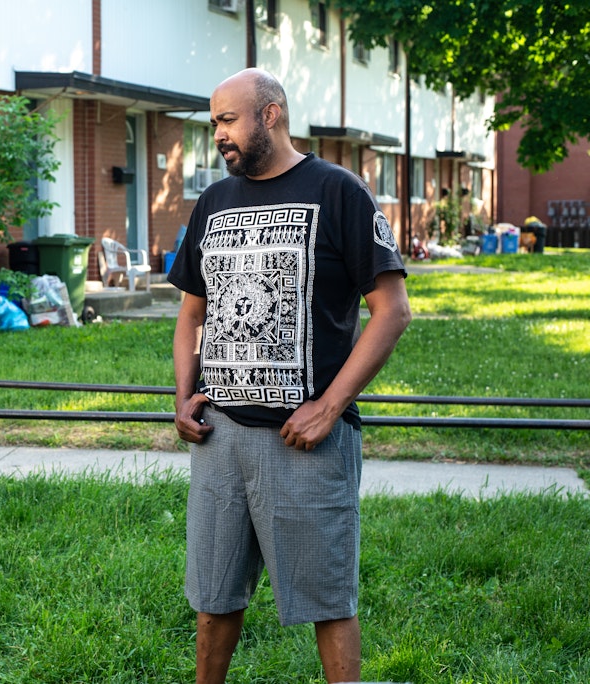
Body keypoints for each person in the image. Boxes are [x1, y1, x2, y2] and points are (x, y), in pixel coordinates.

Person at [167, 68, 412, 683]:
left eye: (228, 120)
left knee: (327, 598)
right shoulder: (214, 203)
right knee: (213, 593)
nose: (218, 134)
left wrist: (329, 407)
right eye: (215, 122)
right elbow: (191, 311)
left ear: (270, 114)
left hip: (304, 439)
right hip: (220, 435)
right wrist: (183, 395)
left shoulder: (339, 192)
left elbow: (393, 311)